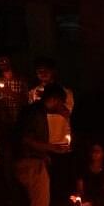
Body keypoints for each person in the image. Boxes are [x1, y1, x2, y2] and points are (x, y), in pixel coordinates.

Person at [15, 84, 68, 206]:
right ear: (54, 100)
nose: (62, 107)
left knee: (39, 201)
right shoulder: (36, 114)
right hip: (30, 162)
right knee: (39, 202)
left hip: (32, 159)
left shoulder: (35, 111)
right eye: (61, 103)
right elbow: (27, 139)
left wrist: (45, 154)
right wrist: (52, 148)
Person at [27, 56, 75, 197]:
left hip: (60, 139)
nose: (42, 74)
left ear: (53, 71)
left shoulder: (65, 92)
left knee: (61, 175)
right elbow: (31, 115)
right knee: (44, 179)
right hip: (42, 142)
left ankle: (63, 204)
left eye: (45, 70)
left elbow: (66, 112)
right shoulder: (32, 92)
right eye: (39, 71)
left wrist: (46, 101)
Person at [0, 51, 29, 130]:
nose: (2, 63)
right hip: (3, 121)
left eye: (4, 60)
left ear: (10, 61)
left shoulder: (21, 79)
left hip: (20, 119)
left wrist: (8, 92)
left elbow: (26, 101)